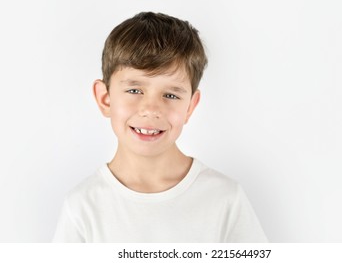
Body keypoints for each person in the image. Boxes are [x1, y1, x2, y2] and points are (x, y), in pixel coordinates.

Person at [53, 12, 267, 242]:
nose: (151, 108)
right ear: (105, 99)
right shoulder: (82, 206)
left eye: (170, 94)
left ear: (190, 107)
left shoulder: (225, 199)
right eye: (134, 90)